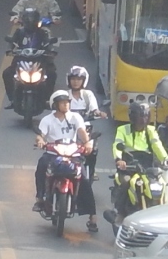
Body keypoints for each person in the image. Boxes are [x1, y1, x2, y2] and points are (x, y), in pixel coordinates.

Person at [34, 90, 97, 232]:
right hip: (52, 154)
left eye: (67, 102)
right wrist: (40, 141)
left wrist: (87, 143)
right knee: (41, 166)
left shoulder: (75, 117)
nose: (66, 105)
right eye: (62, 103)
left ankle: (92, 217)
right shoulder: (47, 120)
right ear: (55, 105)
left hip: (72, 154)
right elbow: (40, 135)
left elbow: (82, 132)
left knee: (84, 179)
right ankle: (40, 198)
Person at [104, 99, 168, 224]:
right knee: (126, 182)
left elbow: (157, 146)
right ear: (133, 117)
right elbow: (117, 145)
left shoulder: (151, 130)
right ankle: (119, 213)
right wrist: (119, 159)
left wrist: (167, 160)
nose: (143, 119)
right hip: (128, 167)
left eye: (146, 116)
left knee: (162, 184)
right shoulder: (123, 130)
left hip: (147, 168)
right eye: (141, 116)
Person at [3, 6, 57, 103]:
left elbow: (48, 43)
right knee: (7, 73)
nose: (30, 21)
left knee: (52, 73)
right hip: (21, 59)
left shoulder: (42, 32)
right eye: (28, 19)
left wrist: (50, 51)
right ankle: (12, 98)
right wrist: (9, 50)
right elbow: (12, 41)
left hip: (40, 59)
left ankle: (48, 98)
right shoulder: (19, 31)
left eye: (32, 19)